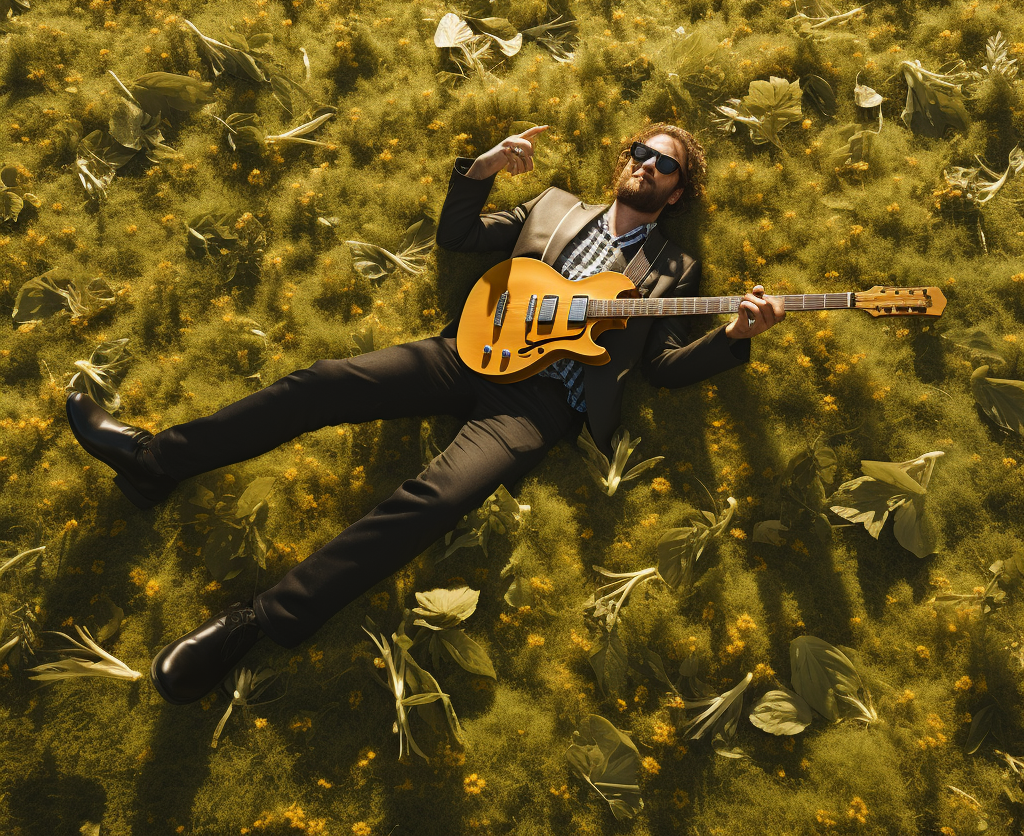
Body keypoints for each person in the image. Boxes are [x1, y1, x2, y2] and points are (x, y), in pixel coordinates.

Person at [65, 122, 785, 705]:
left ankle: (254, 623)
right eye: (641, 153)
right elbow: (459, 237)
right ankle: (155, 461)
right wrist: (481, 169)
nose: (647, 166)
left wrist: (733, 338)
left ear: (680, 190)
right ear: (622, 161)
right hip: (469, 351)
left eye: (665, 165)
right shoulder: (555, 205)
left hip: (537, 407)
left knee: (435, 499)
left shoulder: (672, 270)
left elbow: (660, 371)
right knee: (321, 383)